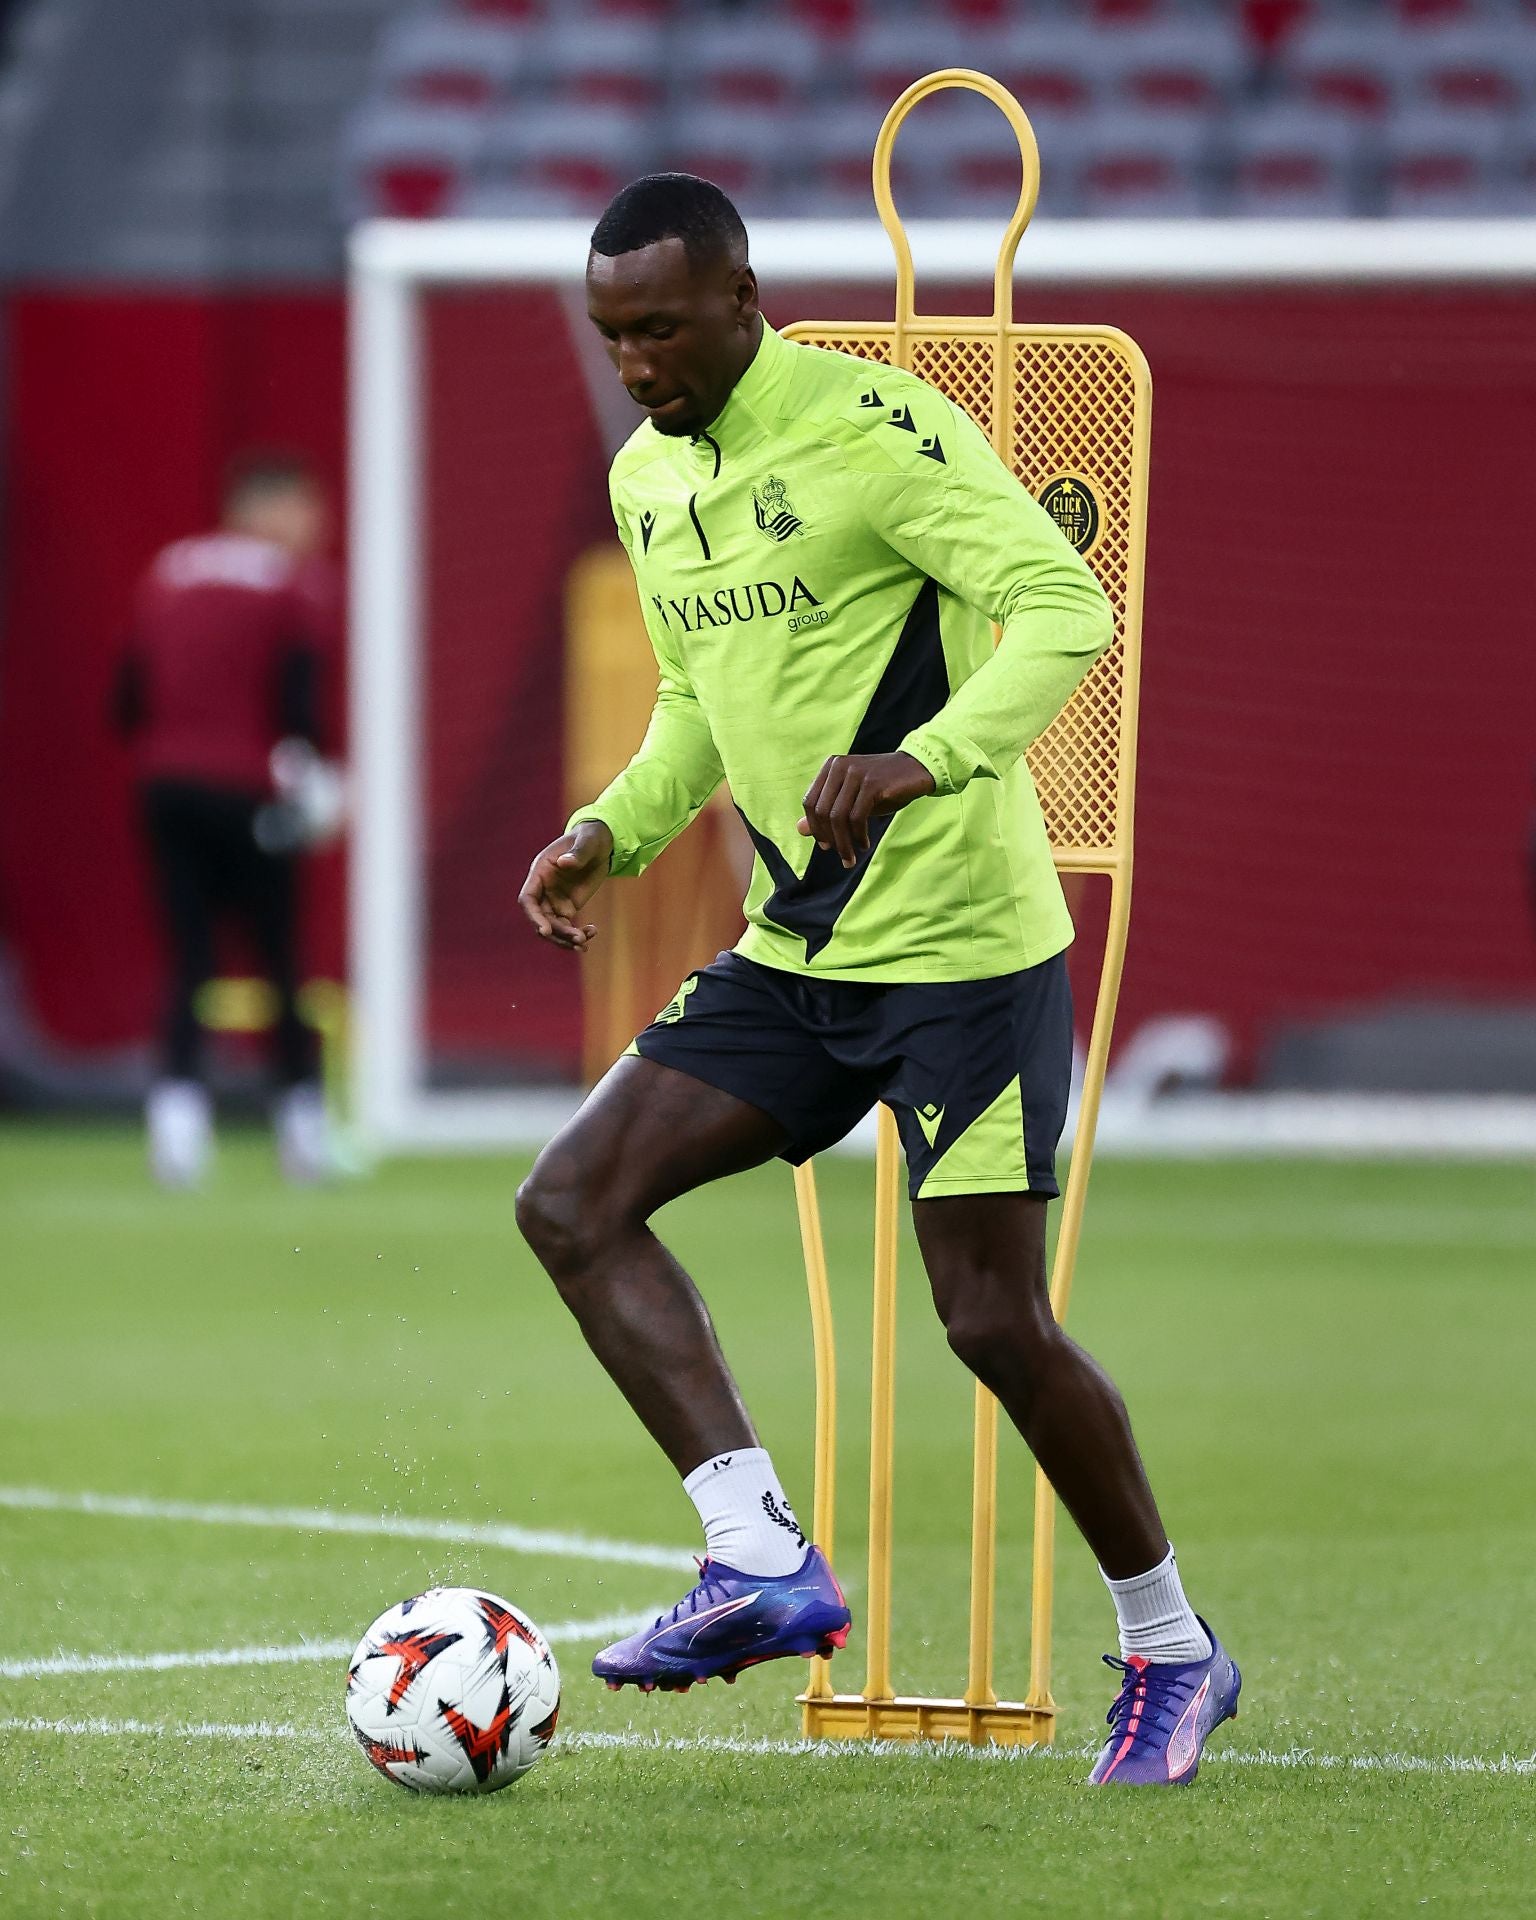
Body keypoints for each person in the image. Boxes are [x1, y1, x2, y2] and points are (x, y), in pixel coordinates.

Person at [516, 175, 1239, 1786]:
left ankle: (1176, 1651)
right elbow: (699, 704)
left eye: (661, 328)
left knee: (989, 1319)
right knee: (571, 1202)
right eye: (611, 334)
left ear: (741, 295)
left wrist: (925, 757)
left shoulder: (875, 430)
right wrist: (606, 830)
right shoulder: (650, 481)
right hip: (801, 948)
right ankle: (758, 1558)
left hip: (968, 958)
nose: (636, 364)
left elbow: (1065, 607)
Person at [115, 451, 339, 1187]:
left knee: (189, 957)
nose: (316, 524)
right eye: (304, 507)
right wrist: (314, 780)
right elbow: (299, 702)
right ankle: (303, 1128)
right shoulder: (289, 585)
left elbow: (127, 696)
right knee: (277, 956)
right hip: (245, 789)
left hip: (163, 785)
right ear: (263, 508)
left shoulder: (168, 571)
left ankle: (177, 1130)